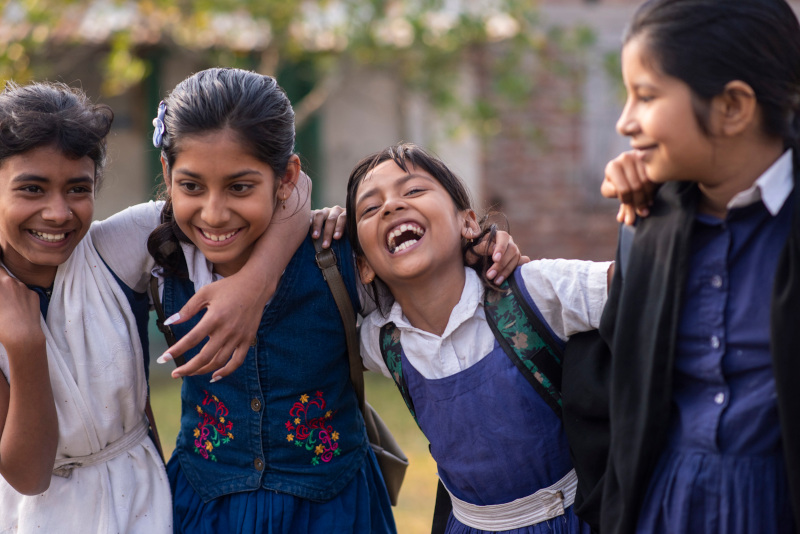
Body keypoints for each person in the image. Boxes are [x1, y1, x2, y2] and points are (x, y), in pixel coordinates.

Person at [0, 80, 310, 533]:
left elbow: (297, 191)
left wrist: (253, 286)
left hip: (143, 503)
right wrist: (26, 346)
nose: (58, 213)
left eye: (77, 189)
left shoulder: (114, 247)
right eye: (32, 188)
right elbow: (28, 474)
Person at [132, 67, 402, 534]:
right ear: (167, 172)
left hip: (335, 510)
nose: (214, 213)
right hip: (203, 510)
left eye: (240, 187)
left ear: (287, 177)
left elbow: (443, 269)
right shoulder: (157, 258)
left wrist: (484, 244)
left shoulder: (338, 255)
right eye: (191, 186)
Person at [587, 0, 800, 532]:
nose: (624, 122)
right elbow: (622, 396)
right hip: (667, 509)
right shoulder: (649, 226)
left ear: (732, 106)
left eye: (647, 96)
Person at [344, 142, 612, 534]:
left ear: (469, 223)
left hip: (575, 519)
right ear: (364, 266)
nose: (391, 206)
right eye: (370, 208)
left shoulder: (533, 292)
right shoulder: (383, 342)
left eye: (414, 190)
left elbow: (646, 284)